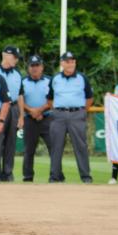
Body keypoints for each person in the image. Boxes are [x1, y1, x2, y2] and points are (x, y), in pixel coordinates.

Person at [48, 51, 93, 183]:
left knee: (81, 146)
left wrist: (82, 111)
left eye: (72, 61)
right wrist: (57, 110)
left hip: (77, 114)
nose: (70, 63)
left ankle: (86, 177)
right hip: (59, 115)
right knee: (56, 147)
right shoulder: (55, 79)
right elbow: (50, 99)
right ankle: (54, 176)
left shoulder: (82, 78)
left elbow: (90, 98)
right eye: (67, 61)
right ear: (62, 63)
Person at [18, 55, 53, 182]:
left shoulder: (50, 80)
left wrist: (39, 111)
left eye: (37, 65)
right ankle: (27, 177)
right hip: (29, 119)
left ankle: (55, 176)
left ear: (42, 67)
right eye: (32, 66)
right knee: (29, 150)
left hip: (47, 117)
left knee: (53, 148)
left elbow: (53, 100)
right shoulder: (22, 82)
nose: (34, 68)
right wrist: (32, 111)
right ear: (28, 68)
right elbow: (20, 101)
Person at [0, 46, 22, 182]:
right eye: (14, 57)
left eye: (17, 57)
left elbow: (21, 95)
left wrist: (21, 116)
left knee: (11, 142)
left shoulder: (17, 73)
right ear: (4, 55)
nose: (16, 60)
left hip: (14, 107)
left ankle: (8, 172)